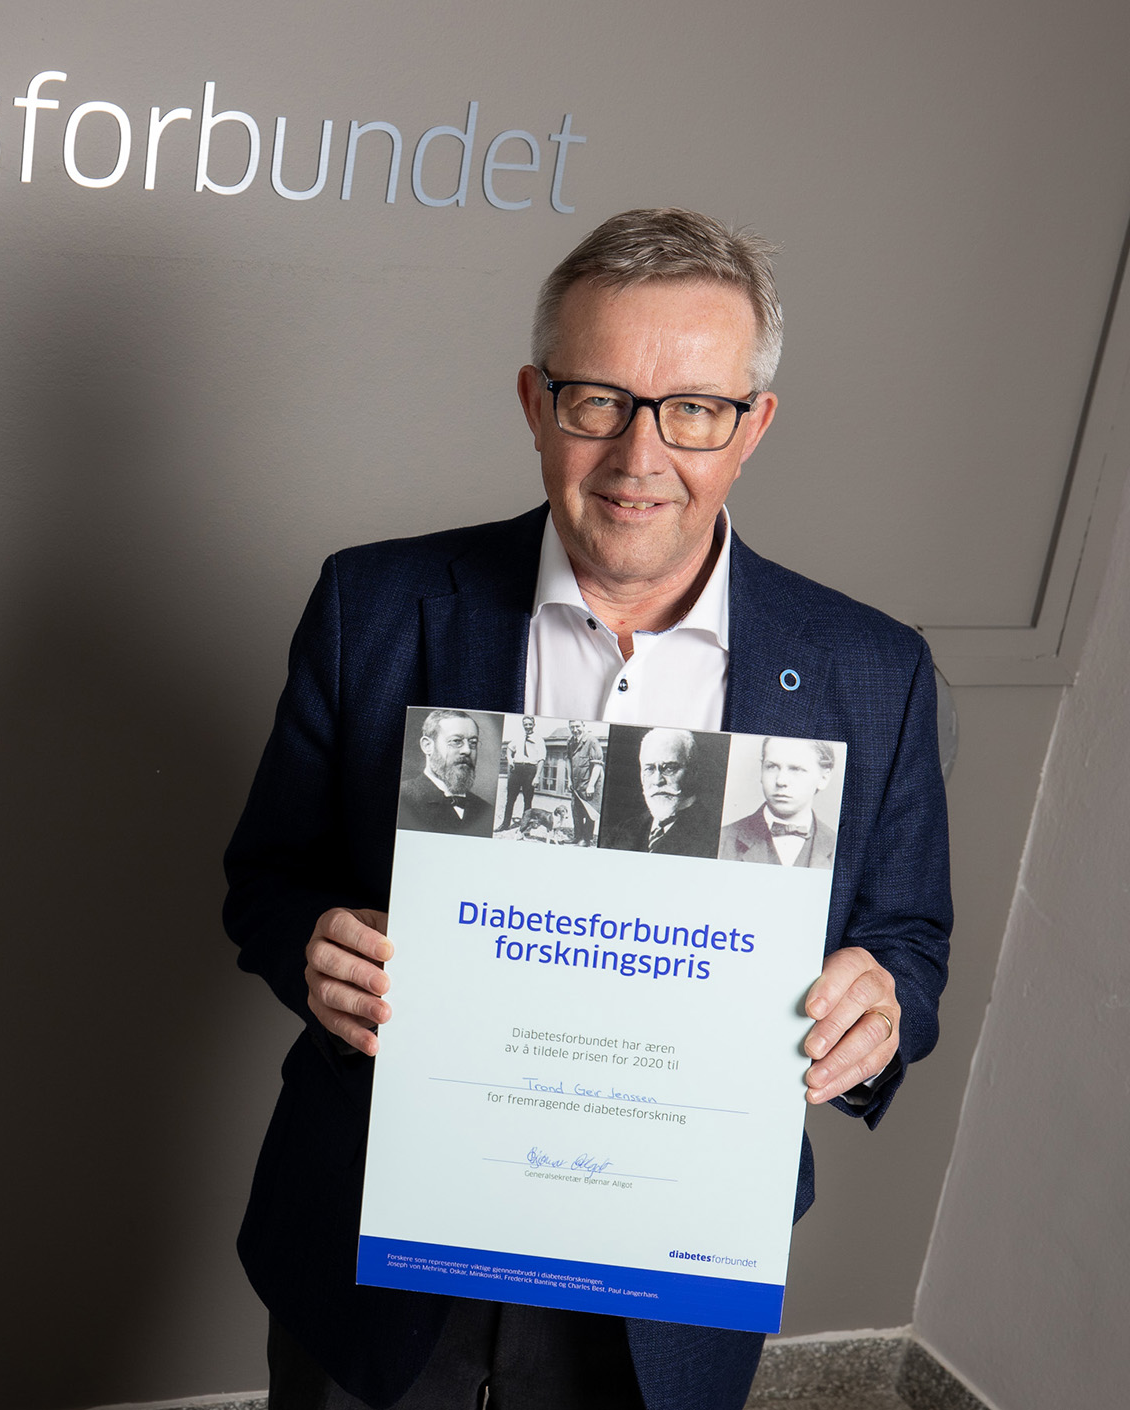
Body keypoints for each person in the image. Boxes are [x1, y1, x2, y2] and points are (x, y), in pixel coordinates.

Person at [223, 208, 951, 1410]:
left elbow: (909, 939)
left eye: (694, 408)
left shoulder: (870, 674)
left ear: (752, 425)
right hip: (381, 1241)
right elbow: (266, 878)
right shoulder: (375, 606)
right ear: (534, 402)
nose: (638, 456)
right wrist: (314, 944)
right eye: (598, 400)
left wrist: (882, 1011)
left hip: (665, 1279)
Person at [601, 726, 718, 858]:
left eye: (669, 768)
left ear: (693, 772)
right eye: (649, 769)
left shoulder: (716, 835)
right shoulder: (622, 832)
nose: (657, 781)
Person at [722, 737, 839, 868]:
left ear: (824, 778)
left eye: (796, 769)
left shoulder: (838, 846)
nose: (780, 781)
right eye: (771, 767)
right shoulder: (722, 840)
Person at [393, 709, 494, 836]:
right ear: (427, 746)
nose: (467, 750)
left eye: (473, 743)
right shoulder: (401, 800)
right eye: (456, 741)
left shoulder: (486, 810)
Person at [499, 717, 546, 831]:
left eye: (530, 724)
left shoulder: (539, 739)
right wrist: (510, 760)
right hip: (516, 769)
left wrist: (537, 776)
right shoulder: (518, 737)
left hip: (530, 770)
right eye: (525, 724)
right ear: (523, 725)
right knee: (510, 798)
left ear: (534, 725)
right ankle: (505, 824)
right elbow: (509, 749)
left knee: (527, 800)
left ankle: (524, 826)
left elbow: (541, 759)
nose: (528, 727)